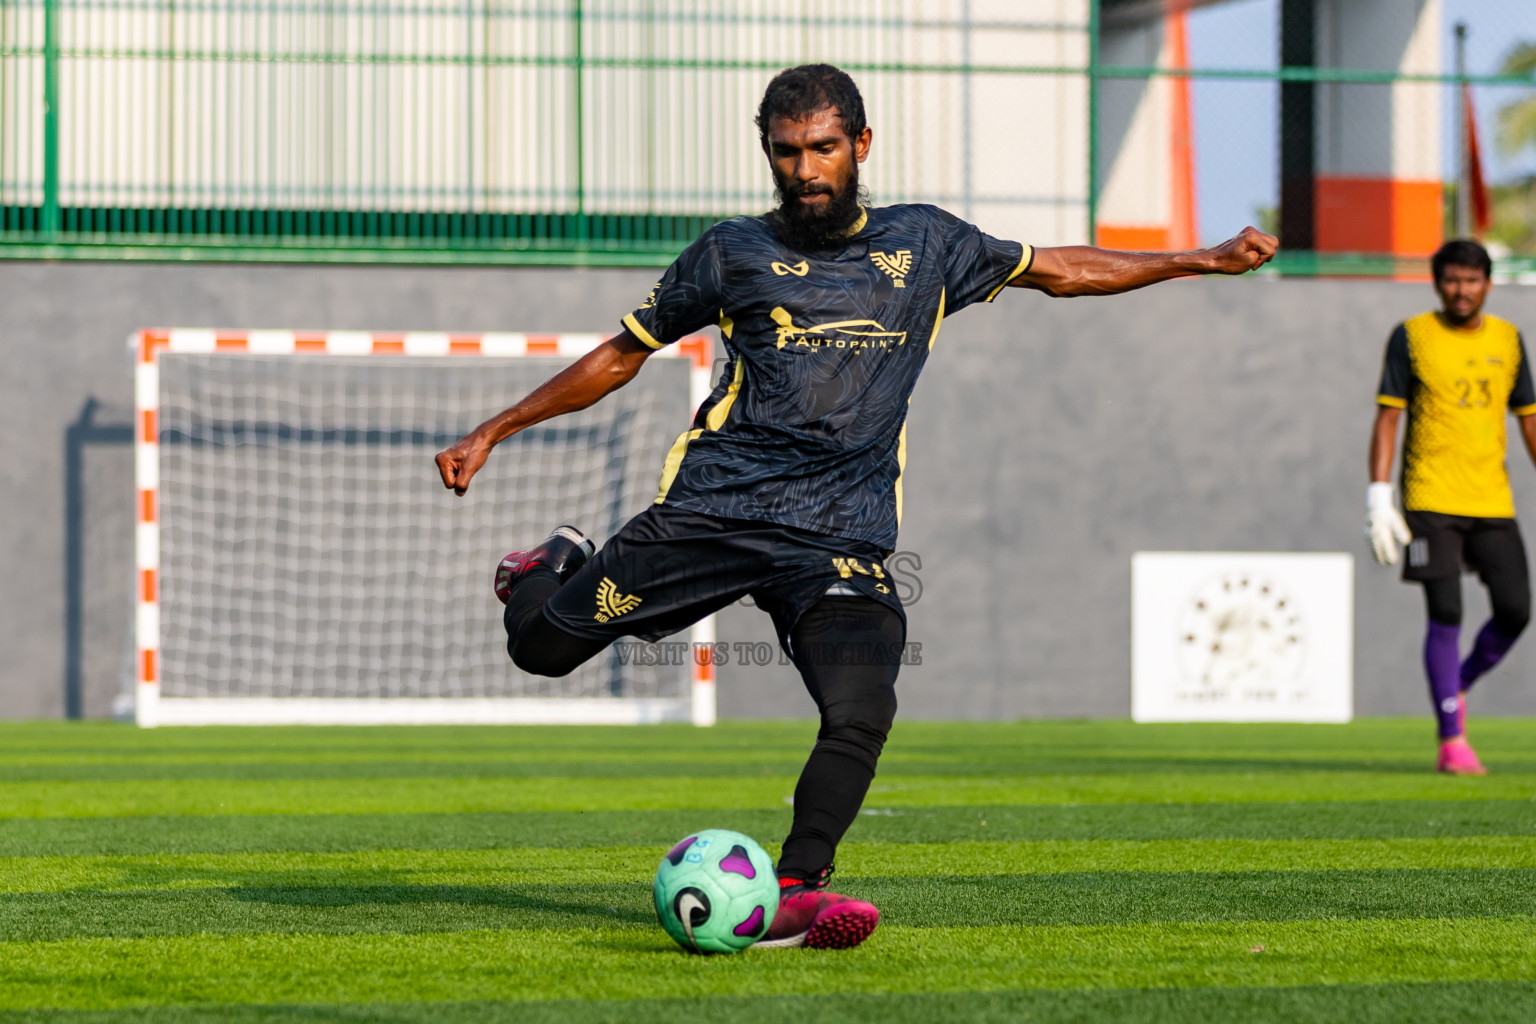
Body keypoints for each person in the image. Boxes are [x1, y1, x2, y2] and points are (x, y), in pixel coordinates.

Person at [435, 64, 1277, 949]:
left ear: (861, 146)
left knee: (863, 705)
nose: (806, 170)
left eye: (824, 149)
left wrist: (1202, 258)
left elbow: (1063, 270)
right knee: (543, 649)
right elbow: (623, 353)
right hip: (718, 511)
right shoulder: (731, 252)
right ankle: (553, 563)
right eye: (788, 152)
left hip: (840, 537)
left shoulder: (929, 244)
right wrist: (496, 429)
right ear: (769, 153)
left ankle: (796, 888)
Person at [1366, 239, 1536, 776]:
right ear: (1438, 283)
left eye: (1472, 280)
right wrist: (1378, 493)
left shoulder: (1508, 341)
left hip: (1491, 499)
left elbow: (1528, 418)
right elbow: (1388, 417)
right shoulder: (1412, 337)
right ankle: (1451, 740)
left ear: (1488, 283)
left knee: (1516, 610)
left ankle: (1456, 684)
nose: (1462, 291)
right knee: (1446, 613)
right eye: (1452, 280)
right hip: (1429, 497)